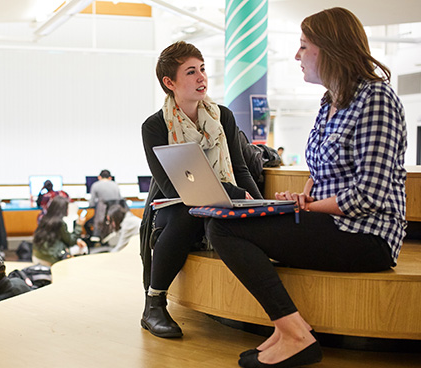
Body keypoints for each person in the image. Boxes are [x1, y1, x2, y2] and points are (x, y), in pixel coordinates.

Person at [206, 8, 407, 368]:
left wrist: (308, 208)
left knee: (224, 227)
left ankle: (295, 333)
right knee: (224, 220)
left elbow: (369, 194)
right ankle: (287, 330)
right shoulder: (329, 101)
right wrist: (304, 196)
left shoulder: (376, 98)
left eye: (303, 46)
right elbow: (322, 171)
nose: (297, 56)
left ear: (329, 49)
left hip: (367, 235)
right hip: (334, 221)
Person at [139, 41, 263, 339]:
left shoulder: (223, 117)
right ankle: (153, 305)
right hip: (171, 206)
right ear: (170, 83)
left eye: (203, 69)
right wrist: (230, 192)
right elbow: (173, 187)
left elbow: (242, 169)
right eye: (191, 72)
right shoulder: (155, 126)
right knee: (187, 212)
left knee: (254, 219)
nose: (201, 78)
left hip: (223, 197)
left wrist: (261, 207)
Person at [32, 196, 87, 265]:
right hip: (50, 259)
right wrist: (79, 225)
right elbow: (70, 241)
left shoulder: (44, 219)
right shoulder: (59, 223)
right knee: (83, 248)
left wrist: (77, 241)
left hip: (37, 256)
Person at [87, 169, 122, 238]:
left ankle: (95, 240)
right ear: (110, 178)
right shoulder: (115, 185)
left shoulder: (95, 185)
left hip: (101, 218)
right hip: (114, 218)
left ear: (99, 177)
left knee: (87, 224)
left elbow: (92, 203)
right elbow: (120, 200)